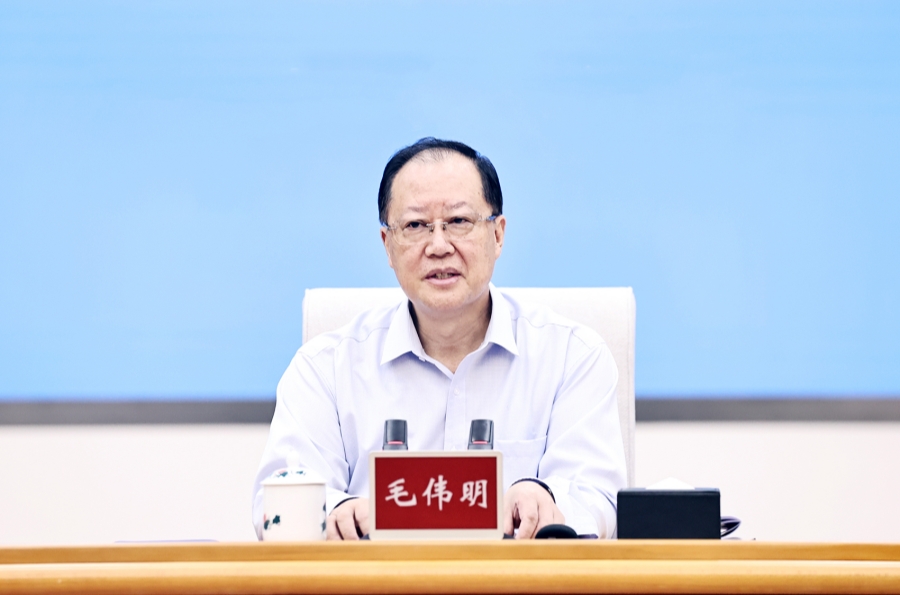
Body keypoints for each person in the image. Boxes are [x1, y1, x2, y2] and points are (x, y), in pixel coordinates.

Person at [252, 138, 626, 540]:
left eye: (459, 221)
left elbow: (598, 501)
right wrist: (339, 512)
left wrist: (545, 499)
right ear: (388, 246)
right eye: (415, 226)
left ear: (498, 234)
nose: (438, 246)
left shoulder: (571, 356)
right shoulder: (325, 368)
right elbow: (275, 504)